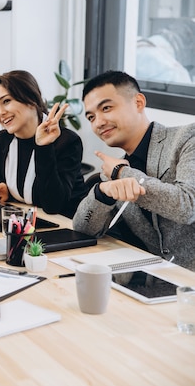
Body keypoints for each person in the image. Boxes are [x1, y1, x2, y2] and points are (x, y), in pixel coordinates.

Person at [72, 70, 195, 271]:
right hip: (152, 281)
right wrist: (101, 193)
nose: (99, 122)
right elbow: (83, 230)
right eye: (91, 117)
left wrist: (123, 173)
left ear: (138, 103)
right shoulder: (113, 172)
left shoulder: (187, 138)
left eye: (106, 108)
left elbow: (187, 207)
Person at [0, 70, 87, 218]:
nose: (0, 113)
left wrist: (43, 146)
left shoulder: (66, 141)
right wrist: (2, 190)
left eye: (6, 101)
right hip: (23, 219)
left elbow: (53, 205)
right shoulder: (2, 140)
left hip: (64, 225)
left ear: (31, 100)